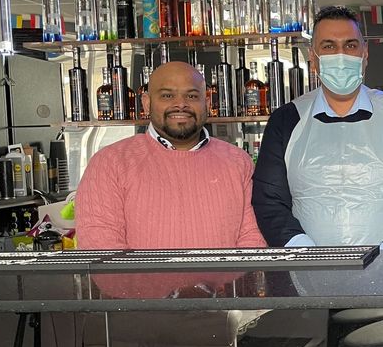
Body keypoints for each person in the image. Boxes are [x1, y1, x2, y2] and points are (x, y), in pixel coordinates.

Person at [252, 5, 383, 248]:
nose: (341, 55)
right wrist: (307, 254)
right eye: (328, 46)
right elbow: (269, 201)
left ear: (365, 53)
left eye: (350, 45)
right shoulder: (286, 120)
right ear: (313, 59)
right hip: (307, 273)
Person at [76, 61, 265, 250]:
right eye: (167, 95)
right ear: (146, 103)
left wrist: (226, 280)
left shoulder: (238, 161)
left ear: (206, 103)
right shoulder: (110, 163)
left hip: (227, 281)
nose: (180, 104)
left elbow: (253, 238)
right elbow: (101, 246)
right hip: (141, 281)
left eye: (191, 96)